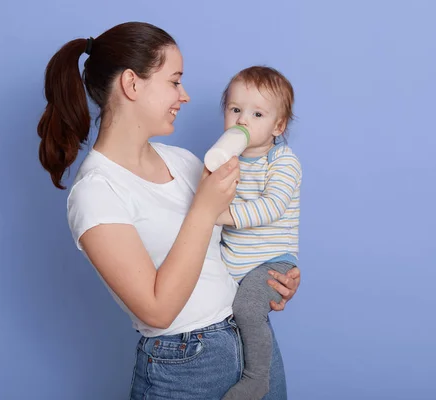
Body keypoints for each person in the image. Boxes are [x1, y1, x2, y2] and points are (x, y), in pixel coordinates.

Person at [36, 22, 301, 400]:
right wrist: (204, 210)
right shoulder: (95, 192)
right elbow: (157, 311)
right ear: (132, 84)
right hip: (186, 365)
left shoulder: (185, 162)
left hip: (250, 346)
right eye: (174, 81)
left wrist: (274, 273)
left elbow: (229, 249)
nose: (185, 95)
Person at [214, 66, 301, 400]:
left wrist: (221, 214)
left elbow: (272, 206)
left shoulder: (282, 161)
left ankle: (257, 378)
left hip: (270, 261)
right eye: (235, 109)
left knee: (248, 310)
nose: (242, 121)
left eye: (257, 113)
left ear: (278, 126)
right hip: (231, 259)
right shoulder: (225, 159)